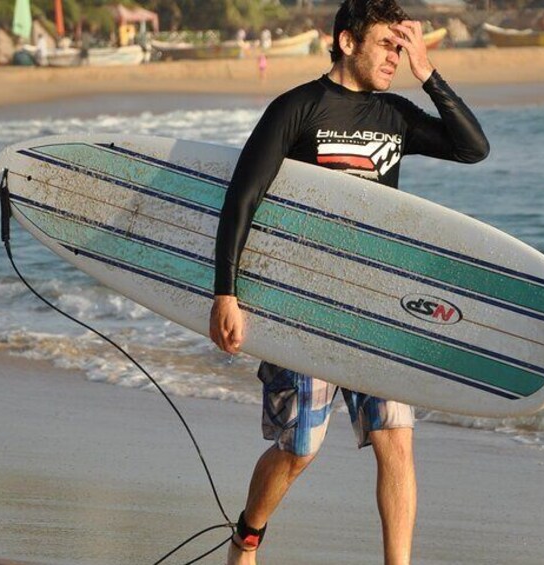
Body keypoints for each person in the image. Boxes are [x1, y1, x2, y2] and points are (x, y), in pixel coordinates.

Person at [209, 1, 490, 564]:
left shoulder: (396, 114)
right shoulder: (297, 108)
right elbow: (243, 196)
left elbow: (472, 148)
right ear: (346, 41)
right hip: (305, 303)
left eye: (402, 46)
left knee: (396, 442)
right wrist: (226, 292)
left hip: (376, 306)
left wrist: (427, 73)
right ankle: (248, 536)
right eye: (388, 44)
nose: (397, 56)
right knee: (299, 448)